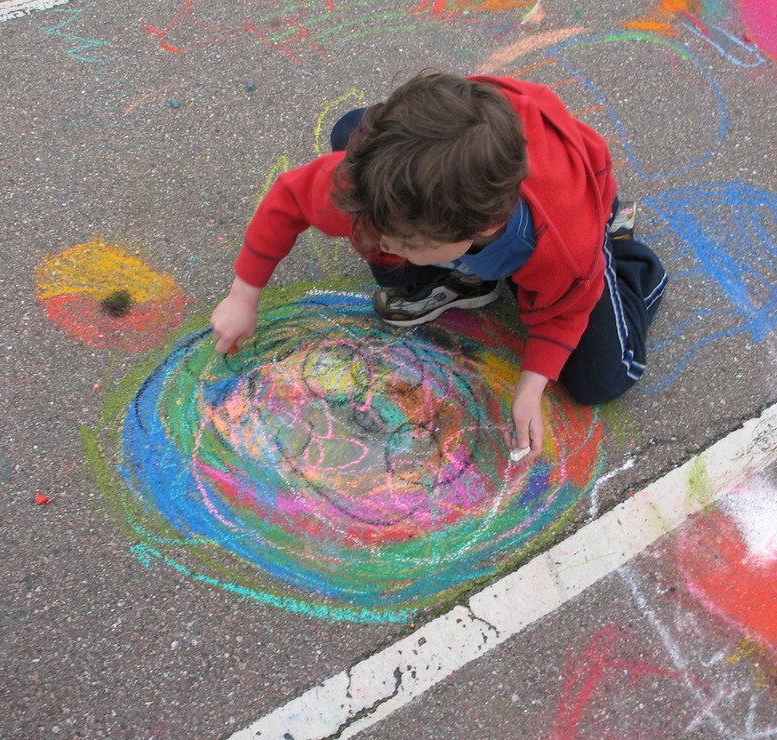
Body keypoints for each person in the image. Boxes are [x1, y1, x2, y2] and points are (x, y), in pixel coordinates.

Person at [210, 71, 667, 462]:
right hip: (470, 194)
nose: (381, 243)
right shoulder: (379, 182)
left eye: (405, 240)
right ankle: (463, 277)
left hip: (575, 216)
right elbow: (290, 198)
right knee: (351, 133)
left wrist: (530, 389)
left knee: (601, 379)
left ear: (474, 229)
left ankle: (622, 252)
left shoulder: (564, 242)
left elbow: (563, 312)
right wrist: (243, 294)